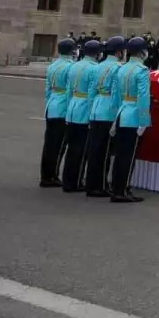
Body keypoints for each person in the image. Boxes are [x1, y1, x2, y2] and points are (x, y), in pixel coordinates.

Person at [109, 37, 152, 203]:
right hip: (133, 115)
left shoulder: (121, 69)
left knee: (120, 154)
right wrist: (144, 121)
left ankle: (116, 188)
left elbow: (115, 96)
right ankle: (122, 190)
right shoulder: (141, 71)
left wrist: (115, 117)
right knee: (128, 156)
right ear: (142, 52)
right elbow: (143, 98)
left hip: (122, 112)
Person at [83, 36, 125, 197]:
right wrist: (117, 115)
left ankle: (91, 183)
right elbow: (116, 94)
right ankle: (99, 186)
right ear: (119, 52)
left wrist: (90, 110)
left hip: (96, 109)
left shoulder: (98, 66)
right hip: (108, 111)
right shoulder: (117, 67)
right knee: (105, 151)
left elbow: (91, 92)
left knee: (94, 150)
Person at [61, 39, 101, 192]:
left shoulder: (74, 66)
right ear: (97, 54)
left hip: (72, 107)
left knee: (72, 148)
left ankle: (67, 180)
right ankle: (76, 182)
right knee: (81, 149)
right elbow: (92, 94)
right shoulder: (94, 69)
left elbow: (69, 90)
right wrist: (92, 114)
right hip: (84, 108)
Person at [40, 38, 77, 187]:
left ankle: (45, 174)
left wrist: (49, 102)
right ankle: (52, 176)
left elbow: (48, 89)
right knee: (60, 144)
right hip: (62, 107)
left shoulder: (53, 65)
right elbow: (70, 91)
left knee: (49, 143)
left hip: (52, 105)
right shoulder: (71, 67)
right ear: (71, 51)